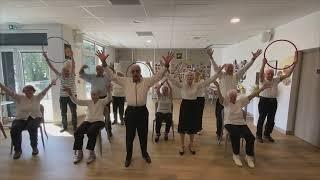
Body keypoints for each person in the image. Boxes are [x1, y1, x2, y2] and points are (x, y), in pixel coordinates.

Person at [96, 50, 174, 167]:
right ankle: (128, 156)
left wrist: (166, 65)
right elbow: (112, 76)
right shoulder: (126, 81)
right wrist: (104, 63)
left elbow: (158, 76)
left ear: (140, 72)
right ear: (131, 73)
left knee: (143, 135)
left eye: (138, 71)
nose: (136, 73)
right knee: (130, 136)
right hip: (130, 112)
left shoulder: (147, 82)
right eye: (134, 71)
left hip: (142, 111)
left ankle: (144, 153)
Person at [207, 48, 262, 143]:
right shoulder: (222, 75)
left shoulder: (236, 76)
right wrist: (211, 57)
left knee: (232, 118)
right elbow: (216, 68)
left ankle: (231, 132)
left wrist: (253, 59)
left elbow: (245, 68)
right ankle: (219, 134)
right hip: (222, 100)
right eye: (229, 68)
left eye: (232, 68)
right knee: (219, 118)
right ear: (225, 69)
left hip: (232, 102)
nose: (231, 70)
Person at [166, 65, 224, 155]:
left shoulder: (197, 85)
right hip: (185, 106)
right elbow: (172, 80)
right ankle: (182, 145)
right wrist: (165, 70)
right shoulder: (182, 85)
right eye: (188, 76)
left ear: (193, 77)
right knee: (182, 126)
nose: (190, 77)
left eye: (191, 76)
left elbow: (209, 80)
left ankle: (191, 144)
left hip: (193, 106)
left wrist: (218, 73)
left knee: (192, 127)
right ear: (185, 77)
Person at [215, 81, 271, 168]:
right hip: (229, 123)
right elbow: (220, 98)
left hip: (241, 123)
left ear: (236, 96)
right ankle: (236, 155)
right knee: (235, 135)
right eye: (231, 97)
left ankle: (248, 156)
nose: (232, 98)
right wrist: (218, 87)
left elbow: (252, 95)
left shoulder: (240, 101)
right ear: (228, 97)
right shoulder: (226, 102)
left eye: (234, 97)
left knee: (250, 137)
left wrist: (262, 88)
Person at [0, 80, 56, 159]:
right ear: (24, 92)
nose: (28, 93)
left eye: (30, 91)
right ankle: (18, 150)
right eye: (26, 92)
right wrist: (1, 85)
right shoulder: (19, 97)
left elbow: (44, 91)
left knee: (32, 126)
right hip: (21, 118)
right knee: (15, 128)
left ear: (33, 91)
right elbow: (9, 92)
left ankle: (34, 147)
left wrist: (50, 85)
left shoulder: (37, 97)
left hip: (35, 117)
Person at [64, 87, 111, 164]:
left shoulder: (102, 101)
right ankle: (80, 153)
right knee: (77, 132)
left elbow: (109, 98)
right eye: (92, 94)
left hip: (99, 121)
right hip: (88, 121)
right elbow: (77, 101)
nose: (93, 96)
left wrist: (109, 91)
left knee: (91, 132)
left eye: (94, 94)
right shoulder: (88, 102)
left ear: (98, 95)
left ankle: (92, 154)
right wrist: (70, 94)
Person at [256, 57, 297, 143]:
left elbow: (288, 75)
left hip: (273, 102)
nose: (270, 75)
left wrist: (294, 64)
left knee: (271, 120)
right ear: (265, 74)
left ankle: (267, 135)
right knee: (261, 119)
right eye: (268, 74)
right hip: (264, 101)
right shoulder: (262, 80)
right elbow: (260, 74)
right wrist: (263, 64)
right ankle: (258, 136)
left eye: (271, 74)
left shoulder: (276, 80)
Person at [43, 51, 77, 132]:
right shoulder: (60, 76)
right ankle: (64, 126)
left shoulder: (72, 76)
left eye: (67, 71)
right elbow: (52, 67)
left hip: (72, 96)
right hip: (63, 97)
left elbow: (74, 66)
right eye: (64, 72)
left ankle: (75, 127)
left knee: (73, 112)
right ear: (62, 72)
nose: (66, 73)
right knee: (63, 113)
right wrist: (46, 58)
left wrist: (72, 56)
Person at [79, 64, 113, 137]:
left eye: (101, 69)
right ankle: (95, 130)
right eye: (97, 69)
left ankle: (108, 130)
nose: (99, 71)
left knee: (107, 116)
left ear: (103, 70)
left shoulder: (107, 77)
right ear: (96, 70)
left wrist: (110, 89)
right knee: (94, 115)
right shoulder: (92, 76)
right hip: (94, 99)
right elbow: (81, 74)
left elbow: (112, 76)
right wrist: (82, 68)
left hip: (104, 98)